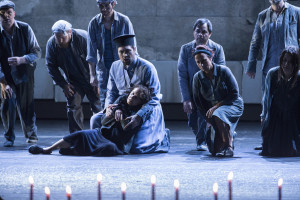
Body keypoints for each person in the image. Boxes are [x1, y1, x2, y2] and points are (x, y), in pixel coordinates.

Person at [90, 34, 170, 154]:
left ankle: (163, 137)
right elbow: (111, 93)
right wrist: (110, 108)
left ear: (135, 50)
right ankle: (101, 145)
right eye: (121, 52)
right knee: (95, 119)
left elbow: (154, 99)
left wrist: (139, 117)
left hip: (146, 109)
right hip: (121, 105)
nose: (125, 55)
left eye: (128, 51)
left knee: (137, 147)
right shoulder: (114, 66)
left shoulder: (148, 68)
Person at [28, 85, 152, 156]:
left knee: (109, 149)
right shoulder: (122, 100)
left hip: (115, 142)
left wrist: (126, 119)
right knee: (80, 134)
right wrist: (116, 110)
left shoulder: (137, 115)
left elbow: (127, 130)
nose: (132, 97)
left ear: (140, 102)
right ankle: (47, 149)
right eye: (132, 94)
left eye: (136, 98)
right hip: (101, 133)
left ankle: (75, 151)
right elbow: (113, 110)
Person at [246, 0, 300, 150]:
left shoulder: (296, 12)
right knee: (268, 103)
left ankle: (293, 138)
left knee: (292, 102)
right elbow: (255, 41)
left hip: (291, 66)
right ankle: (267, 138)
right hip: (271, 66)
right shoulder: (263, 16)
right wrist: (251, 65)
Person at [178, 18, 226, 151]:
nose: (200, 34)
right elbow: (182, 74)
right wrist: (186, 98)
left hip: (211, 92)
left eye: (204, 32)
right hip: (192, 91)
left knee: (204, 117)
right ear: (193, 33)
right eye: (197, 31)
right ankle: (207, 138)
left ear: (209, 34)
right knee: (192, 121)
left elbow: (221, 72)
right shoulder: (186, 49)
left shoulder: (217, 49)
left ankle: (202, 141)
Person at [45, 20, 101, 133]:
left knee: (98, 106)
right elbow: (51, 66)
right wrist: (63, 84)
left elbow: (98, 59)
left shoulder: (83, 37)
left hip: (91, 78)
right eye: (57, 37)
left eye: (62, 37)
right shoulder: (52, 44)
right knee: (73, 105)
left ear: (70, 32)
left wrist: (97, 78)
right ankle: (77, 137)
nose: (60, 41)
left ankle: (99, 135)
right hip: (73, 81)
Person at [0, 0, 41, 147]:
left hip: (24, 74)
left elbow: (37, 52)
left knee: (27, 105)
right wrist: (4, 81)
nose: (6, 16)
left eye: (9, 13)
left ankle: (31, 135)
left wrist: (22, 59)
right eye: (2, 13)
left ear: (14, 14)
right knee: (7, 105)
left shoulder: (24, 28)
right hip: (5, 76)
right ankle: (9, 137)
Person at [192, 45, 243, 157]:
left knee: (219, 113)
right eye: (198, 62)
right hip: (212, 111)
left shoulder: (223, 71)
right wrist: (208, 119)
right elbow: (199, 102)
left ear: (210, 58)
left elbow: (234, 94)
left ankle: (228, 147)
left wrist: (216, 106)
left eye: (204, 61)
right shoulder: (197, 78)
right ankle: (230, 135)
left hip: (232, 104)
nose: (201, 65)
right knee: (214, 150)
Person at [87, 0, 136, 109]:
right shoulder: (94, 23)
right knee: (106, 100)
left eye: (106, 6)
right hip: (104, 70)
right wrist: (92, 75)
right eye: (101, 6)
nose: (104, 9)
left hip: (123, 68)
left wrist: (133, 71)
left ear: (113, 4)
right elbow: (91, 53)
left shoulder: (124, 21)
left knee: (124, 99)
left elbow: (133, 48)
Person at [260, 46, 300, 157]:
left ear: (296, 64)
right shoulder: (272, 74)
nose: (286, 65)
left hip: (294, 117)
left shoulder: (299, 77)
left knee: (292, 150)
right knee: (274, 150)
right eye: (284, 61)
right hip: (277, 116)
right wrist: (264, 116)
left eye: (290, 62)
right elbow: (267, 97)